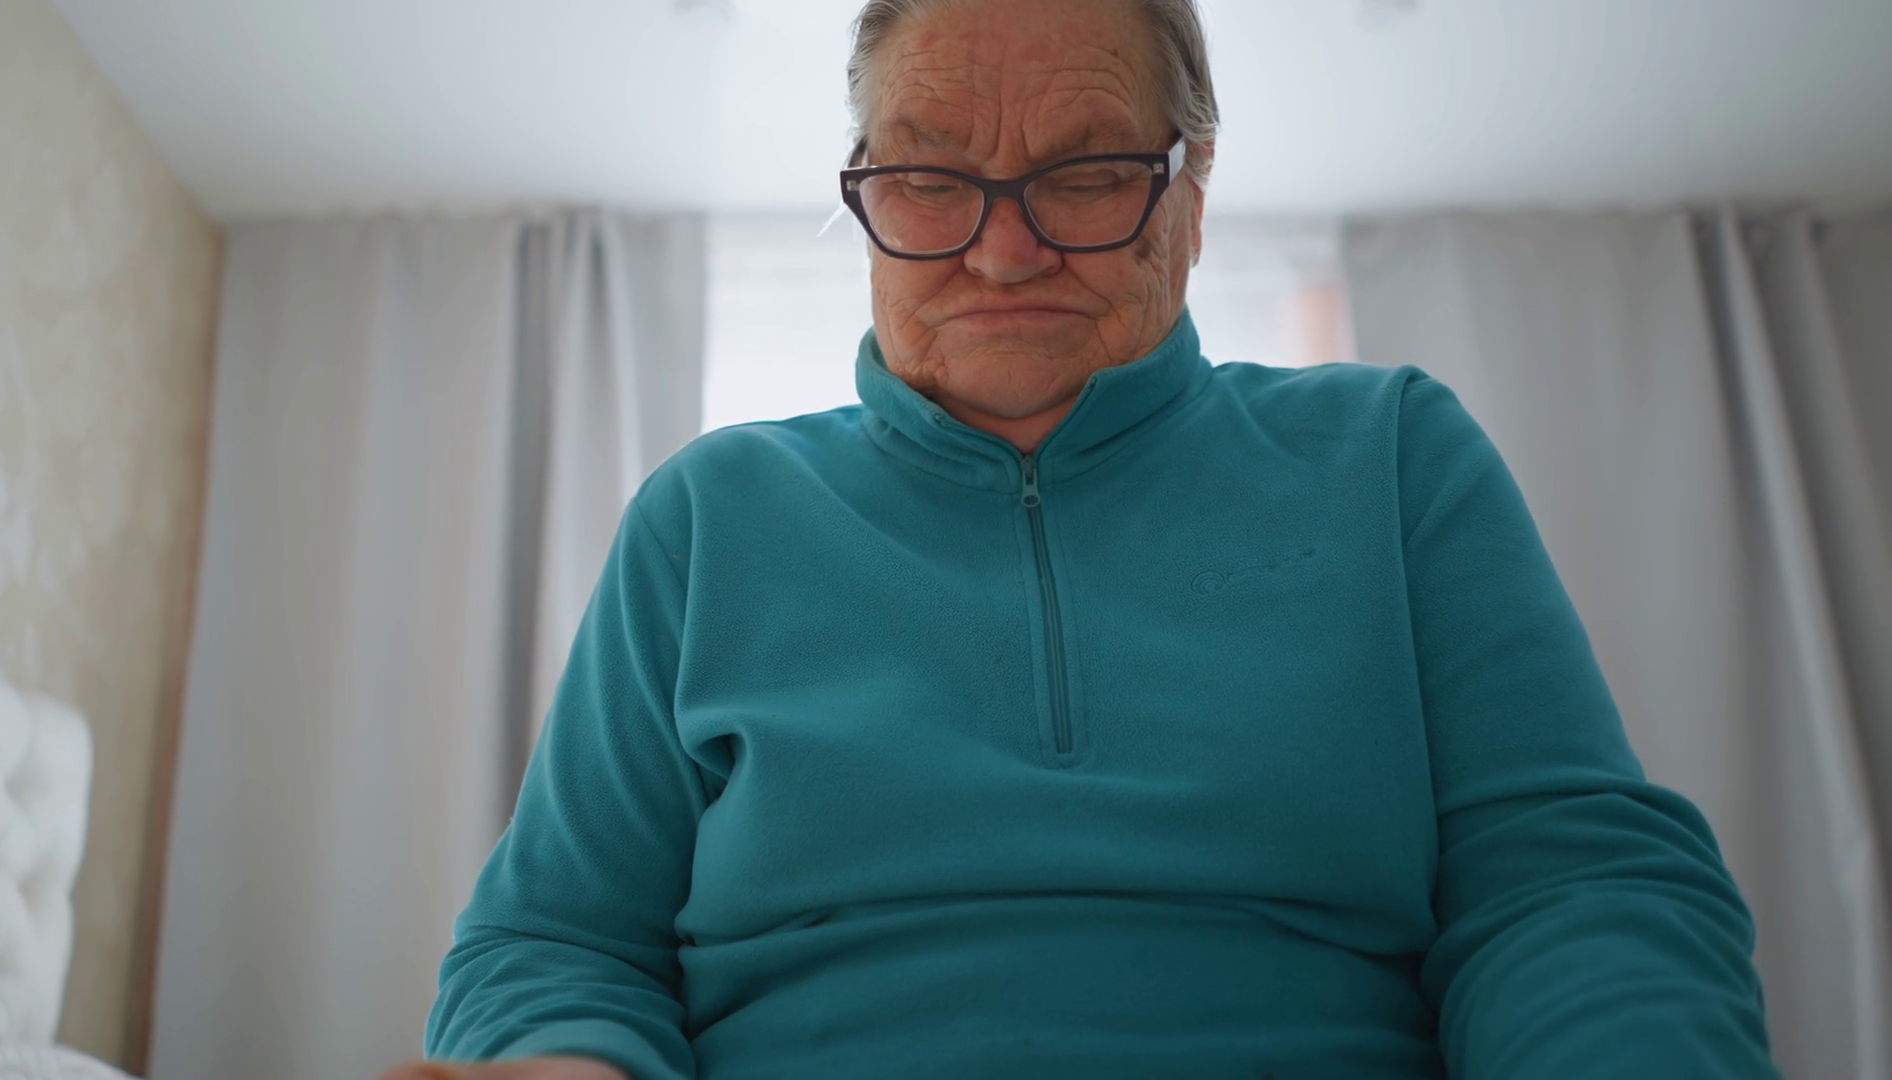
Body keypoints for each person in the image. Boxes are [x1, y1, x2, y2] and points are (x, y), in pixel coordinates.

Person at [381, 1, 1777, 1077]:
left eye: (1089, 173)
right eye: (931, 178)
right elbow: (556, 939)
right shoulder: (707, 515)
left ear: (1193, 191)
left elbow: (1569, 886)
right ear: (865, 190)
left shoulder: (1391, 456)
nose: (1002, 252)